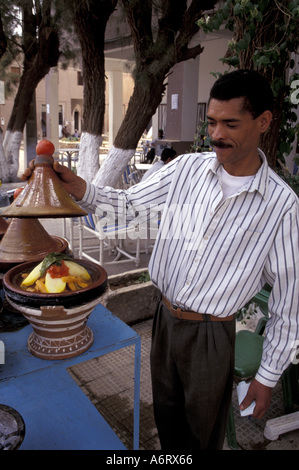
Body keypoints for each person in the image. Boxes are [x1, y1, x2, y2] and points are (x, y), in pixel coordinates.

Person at [22, 69, 299, 451]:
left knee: (201, 436)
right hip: (164, 320)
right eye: (213, 122)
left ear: (263, 121)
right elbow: (128, 207)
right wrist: (79, 187)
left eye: (231, 124)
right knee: (166, 422)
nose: (217, 135)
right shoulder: (187, 170)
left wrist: (267, 377)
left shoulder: (281, 206)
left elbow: (289, 300)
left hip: (211, 336)